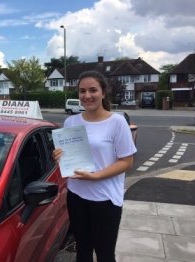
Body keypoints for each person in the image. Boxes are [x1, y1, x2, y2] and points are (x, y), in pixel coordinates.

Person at [53, 71, 137, 262]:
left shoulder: (116, 122)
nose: (87, 96)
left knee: (105, 254)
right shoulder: (71, 122)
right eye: (82, 91)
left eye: (93, 90)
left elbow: (127, 162)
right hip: (76, 195)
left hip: (105, 199)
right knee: (82, 250)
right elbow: (67, 155)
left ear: (103, 93)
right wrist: (58, 156)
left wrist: (95, 176)